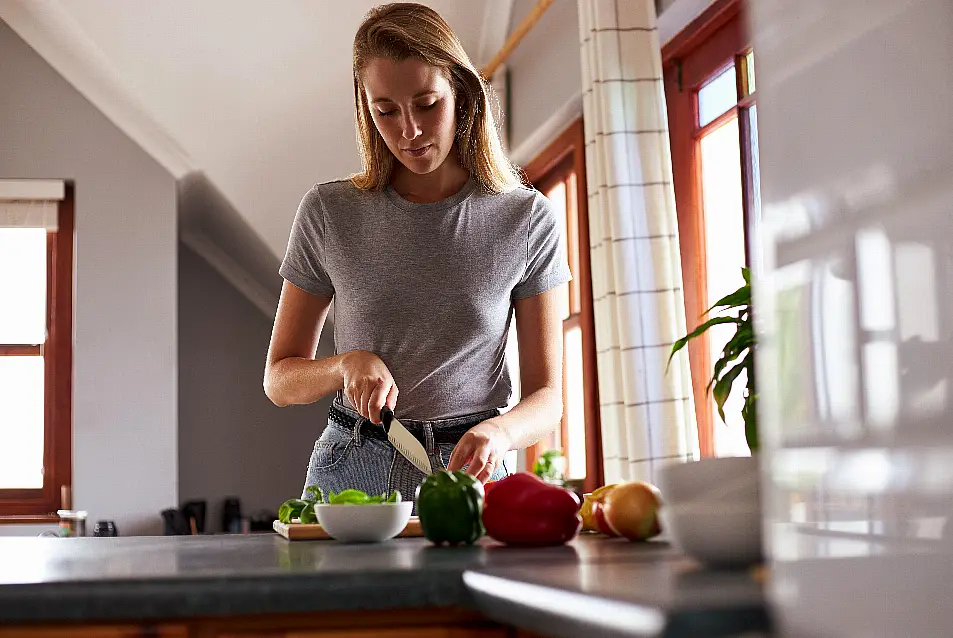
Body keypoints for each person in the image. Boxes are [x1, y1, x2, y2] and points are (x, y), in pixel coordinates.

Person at [264, 2, 571, 506]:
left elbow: (548, 398)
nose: (409, 131)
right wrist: (344, 366)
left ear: (461, 93)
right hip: (352, 464)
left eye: (427, 104)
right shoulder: (328, 212)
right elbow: (279, 379)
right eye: (386, 110)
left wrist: (501, 433)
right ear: (367, 110)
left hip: (473, 470)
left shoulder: (526, 219)